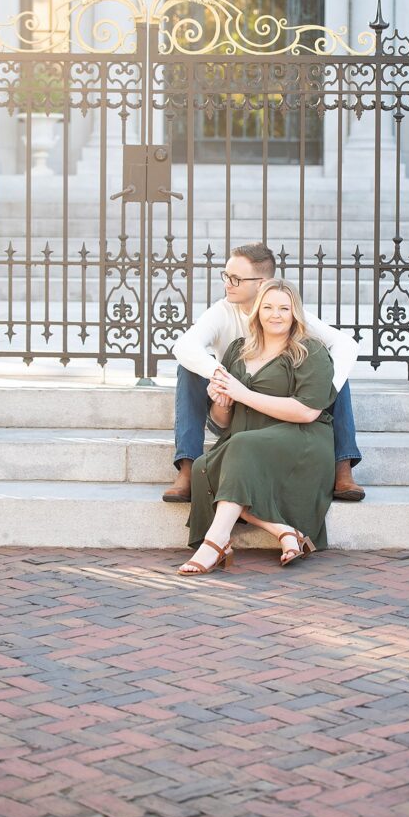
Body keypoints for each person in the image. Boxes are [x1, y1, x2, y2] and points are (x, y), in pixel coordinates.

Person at [164, 243, 365, 505]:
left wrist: (324, 392)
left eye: (236, 278)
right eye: (226, 276)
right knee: (188, 369)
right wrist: (222, 377)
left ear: (262, 283)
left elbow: (346, 345)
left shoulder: (284, 310)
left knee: (331, 369)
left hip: (281, 405)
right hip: (230, 406)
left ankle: (342, 467)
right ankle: (188, 469)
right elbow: (183, 346)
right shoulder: (223, 311)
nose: (228, 284)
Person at [178, 279, 336, 575]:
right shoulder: (239, 349)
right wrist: (222, 401)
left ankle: (214, 542)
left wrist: (244, 394)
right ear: (257, 312)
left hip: (301, 439)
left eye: (284, 308)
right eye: (268, 307)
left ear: (295, 313)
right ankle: (283, 531)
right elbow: (222, 421)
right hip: (248, 439)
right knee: (202, 469)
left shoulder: (308, 351)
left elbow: (307, 411)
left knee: (240, 445)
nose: (275, 314)